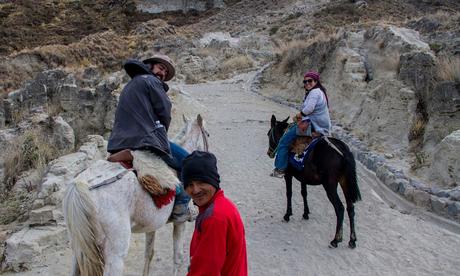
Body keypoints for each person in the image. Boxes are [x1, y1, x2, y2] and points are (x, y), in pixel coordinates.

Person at [107, 53, 191, 222]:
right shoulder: (151, 81)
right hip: (143, 139)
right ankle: (181, 205)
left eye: (166, 73)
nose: (163, 74)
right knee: (189, 162)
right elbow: (165, 110)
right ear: (150, 65)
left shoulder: (130, 85)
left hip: (118, 141)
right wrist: (161, 133)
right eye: (161, 68)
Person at [182, 151, 248, 276]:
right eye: (190, 184)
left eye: (201, 182)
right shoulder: (222, 205)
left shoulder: (214, 217)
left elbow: (206, 272)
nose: (195, 190)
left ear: (213, 181)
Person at [271, 71, 331, 178]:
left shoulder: (314, 92)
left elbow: (309, 108)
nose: (307, 83)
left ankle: (280, 169)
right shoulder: (320, 92)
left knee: (284, 141)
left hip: (312, 125)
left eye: (310, 81)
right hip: (322, 126)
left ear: (316, 81)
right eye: (305, 81)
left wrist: (300, 114)